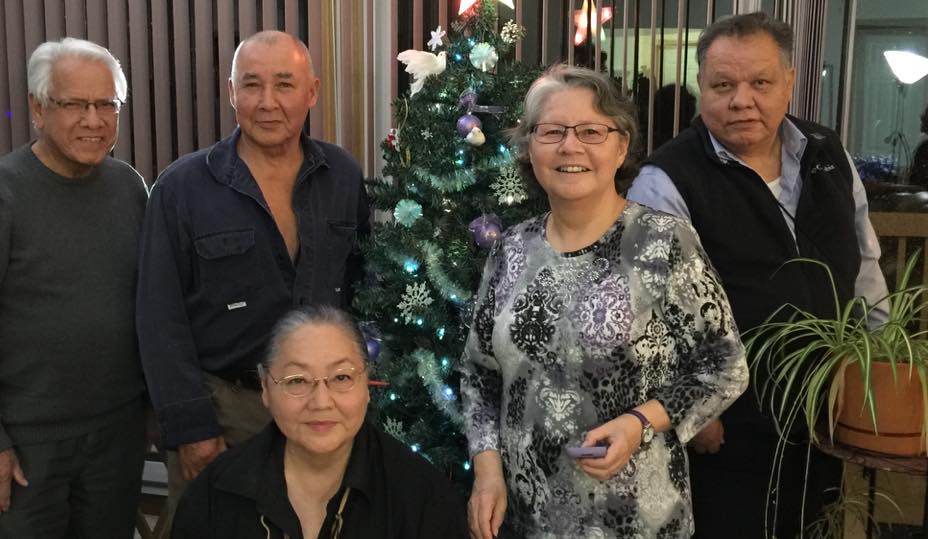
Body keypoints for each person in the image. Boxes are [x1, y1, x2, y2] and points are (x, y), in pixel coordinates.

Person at [627, 12, 891, 538]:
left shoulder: (828, 153)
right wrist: (693, 414)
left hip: (829, 407)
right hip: (730, 424)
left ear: (790, 82)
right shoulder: (667, 178)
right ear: (702, 86)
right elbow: (643, 314)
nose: (741, 100)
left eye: (760, 83)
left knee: (815, 522)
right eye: (723, 85)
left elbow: (865, 265)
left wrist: (880, 365)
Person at [460, 64, 749, 538]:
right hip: (527, 519)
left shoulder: (663, 242)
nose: (570, 146)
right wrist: (488, 472)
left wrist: (640, 423)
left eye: (591, 131)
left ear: (620, 147)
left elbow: (725, 365)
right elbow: (478, 374)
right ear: (531, 148)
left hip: (636, 520)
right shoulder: (511, 249)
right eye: (551, 131)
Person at [136, 30, 370, 531]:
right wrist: (192, 427)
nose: (267, 103)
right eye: (251, 85)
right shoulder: (182, 187)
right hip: (225, 412)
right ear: (230, 92)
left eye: (284, 85)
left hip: (321, 411)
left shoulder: (344, 177)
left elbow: (362, 290)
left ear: (312, 92)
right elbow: (159, 319)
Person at [0, 38, 147, 538]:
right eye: (74, 104)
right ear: (37, 109)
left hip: (116, 437)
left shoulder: (130, 189)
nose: (93, 120)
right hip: (23, 450)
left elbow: (150, 310)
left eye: (106, 105)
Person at [171, 305, 468, 538]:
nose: (321, 402)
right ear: (265, 388)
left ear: (367, 384)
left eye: (341, 377)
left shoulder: (423, 498)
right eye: (297, 380)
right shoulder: (216, 492)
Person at [908, 103, 928, 189]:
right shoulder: (924, 147)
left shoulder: (924, 149)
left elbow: (918, 184)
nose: (921, 116)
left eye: (926, 114)